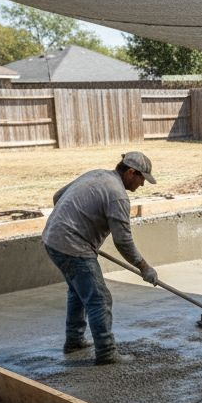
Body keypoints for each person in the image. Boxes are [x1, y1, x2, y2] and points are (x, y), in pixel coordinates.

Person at [42, 151, 159, 365]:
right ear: (131, 172)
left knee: (78, 293)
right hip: (72, 245)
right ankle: (106, 353)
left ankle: (75, 340)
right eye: (142, 178)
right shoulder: (117, 195)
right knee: (99, 299)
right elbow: (123, 240)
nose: (142, 184)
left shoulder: (96, 175)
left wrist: (75, 220)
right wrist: (144, 267)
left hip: (52, 238)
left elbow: (58, 197)